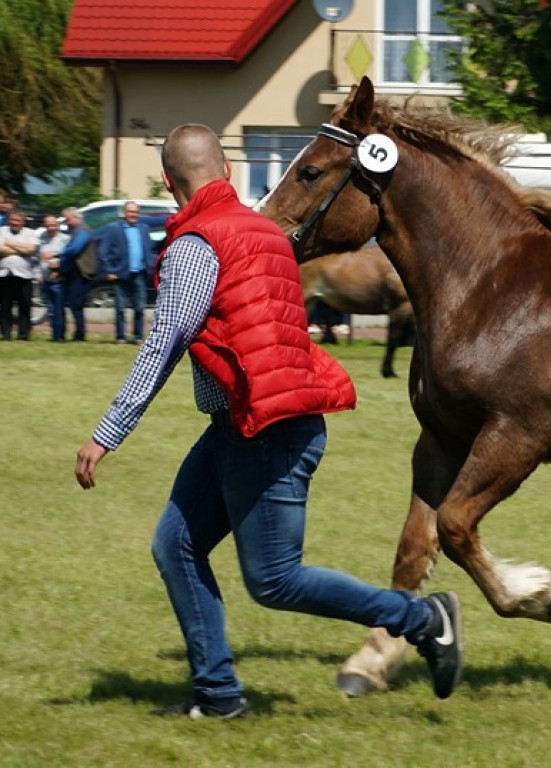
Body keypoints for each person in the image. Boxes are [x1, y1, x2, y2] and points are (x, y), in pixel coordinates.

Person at [73, 123, 463, 719]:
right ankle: (218, 694)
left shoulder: (195, 245)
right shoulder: (265, 232)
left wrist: (108, 432)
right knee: (176, 545)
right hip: (251, 422)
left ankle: (421, 617)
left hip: (265, 428)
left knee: (276, 579)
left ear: (169, 183)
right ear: (227, 171)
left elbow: (166, 340)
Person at [96, 201, 156, 344]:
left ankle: (137, 336)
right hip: (120, 274)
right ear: (124, 213)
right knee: (120, 308)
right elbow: (103, 252)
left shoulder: (144, 228)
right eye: (130, 212)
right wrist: (109, 270)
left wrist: (151, 266)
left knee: (140, 308)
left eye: (135, 212)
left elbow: (149, 250)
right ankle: (120, 337)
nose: (133, 215)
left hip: (139, 273)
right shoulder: (113, 229)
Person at [0, 211, 41, 340]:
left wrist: (10, 244)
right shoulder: (2, 231)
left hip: (24, 276)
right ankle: (6, 334)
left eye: (17, 221)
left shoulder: (30, 233)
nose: (14, 223)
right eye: (12, 220)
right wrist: (21, 250)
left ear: (23, 222)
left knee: (24, 306)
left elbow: (31, 249)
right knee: (5, 307)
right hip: (5, 275)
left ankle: (23, 334)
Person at [57, 208, 95, 342]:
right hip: (74, 272)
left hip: (81, 273)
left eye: (67, 219)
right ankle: (78, 333)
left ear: (76, 218)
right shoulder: (76, 231)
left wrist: (58, 253)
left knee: (76, 304)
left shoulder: (83, 231)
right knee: (74, 304)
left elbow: (74, 249)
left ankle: (80, 334)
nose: (66, 222)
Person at [37, 214, 70, 341]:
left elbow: (68, 258)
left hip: (59, 280)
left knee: (59, 308)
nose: (51, 228)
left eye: (53, 225)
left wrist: (59, 269)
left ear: (57, 225)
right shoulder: (41, 239)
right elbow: (37, 258)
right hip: (44, 279)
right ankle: (54, 334)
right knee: (50, 309)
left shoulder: (65, 239)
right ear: (44, 226)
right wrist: (38, 275)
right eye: (48, 225)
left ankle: (60, 336)